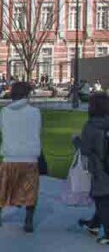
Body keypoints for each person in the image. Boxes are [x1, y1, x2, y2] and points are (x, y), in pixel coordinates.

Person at [0, 81, 41, 233]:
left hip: (10, 155)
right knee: (31, 189)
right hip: (30, 156)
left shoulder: (5, 112)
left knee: (2, 187)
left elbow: (2, 130)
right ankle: (28, 221)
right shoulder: (35, 112)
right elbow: (37, 130)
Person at [76, 92, 109, 241]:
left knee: (102, 199)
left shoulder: (91, 126)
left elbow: (85, 149)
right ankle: (94, 224)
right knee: (102, 198)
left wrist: (76, 141)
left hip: (99, 168)